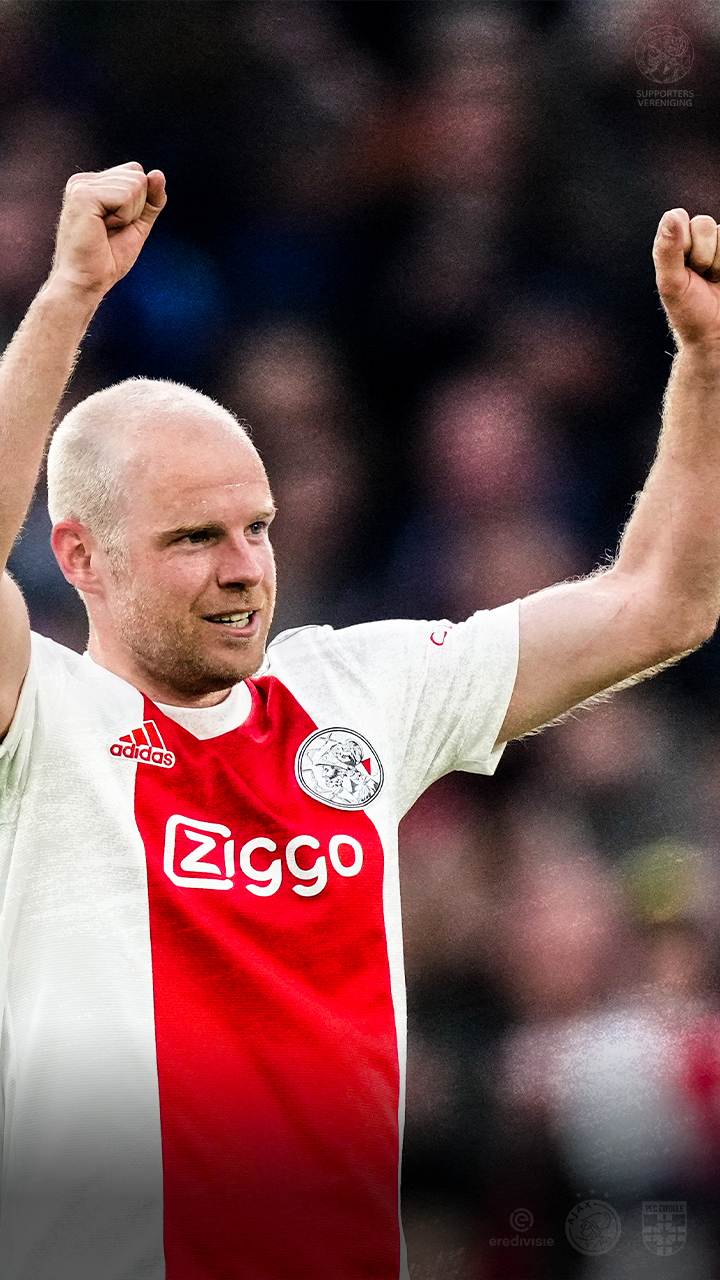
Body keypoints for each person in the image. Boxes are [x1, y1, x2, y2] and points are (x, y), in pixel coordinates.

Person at [0, 163, 719, 1280]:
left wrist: (707, 369)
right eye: (195, 538)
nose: (245, 568)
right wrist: (68, 298)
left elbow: (662, 603)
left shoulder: (359, 691)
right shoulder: (40, 717)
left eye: (258, 527)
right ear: (79, 557)